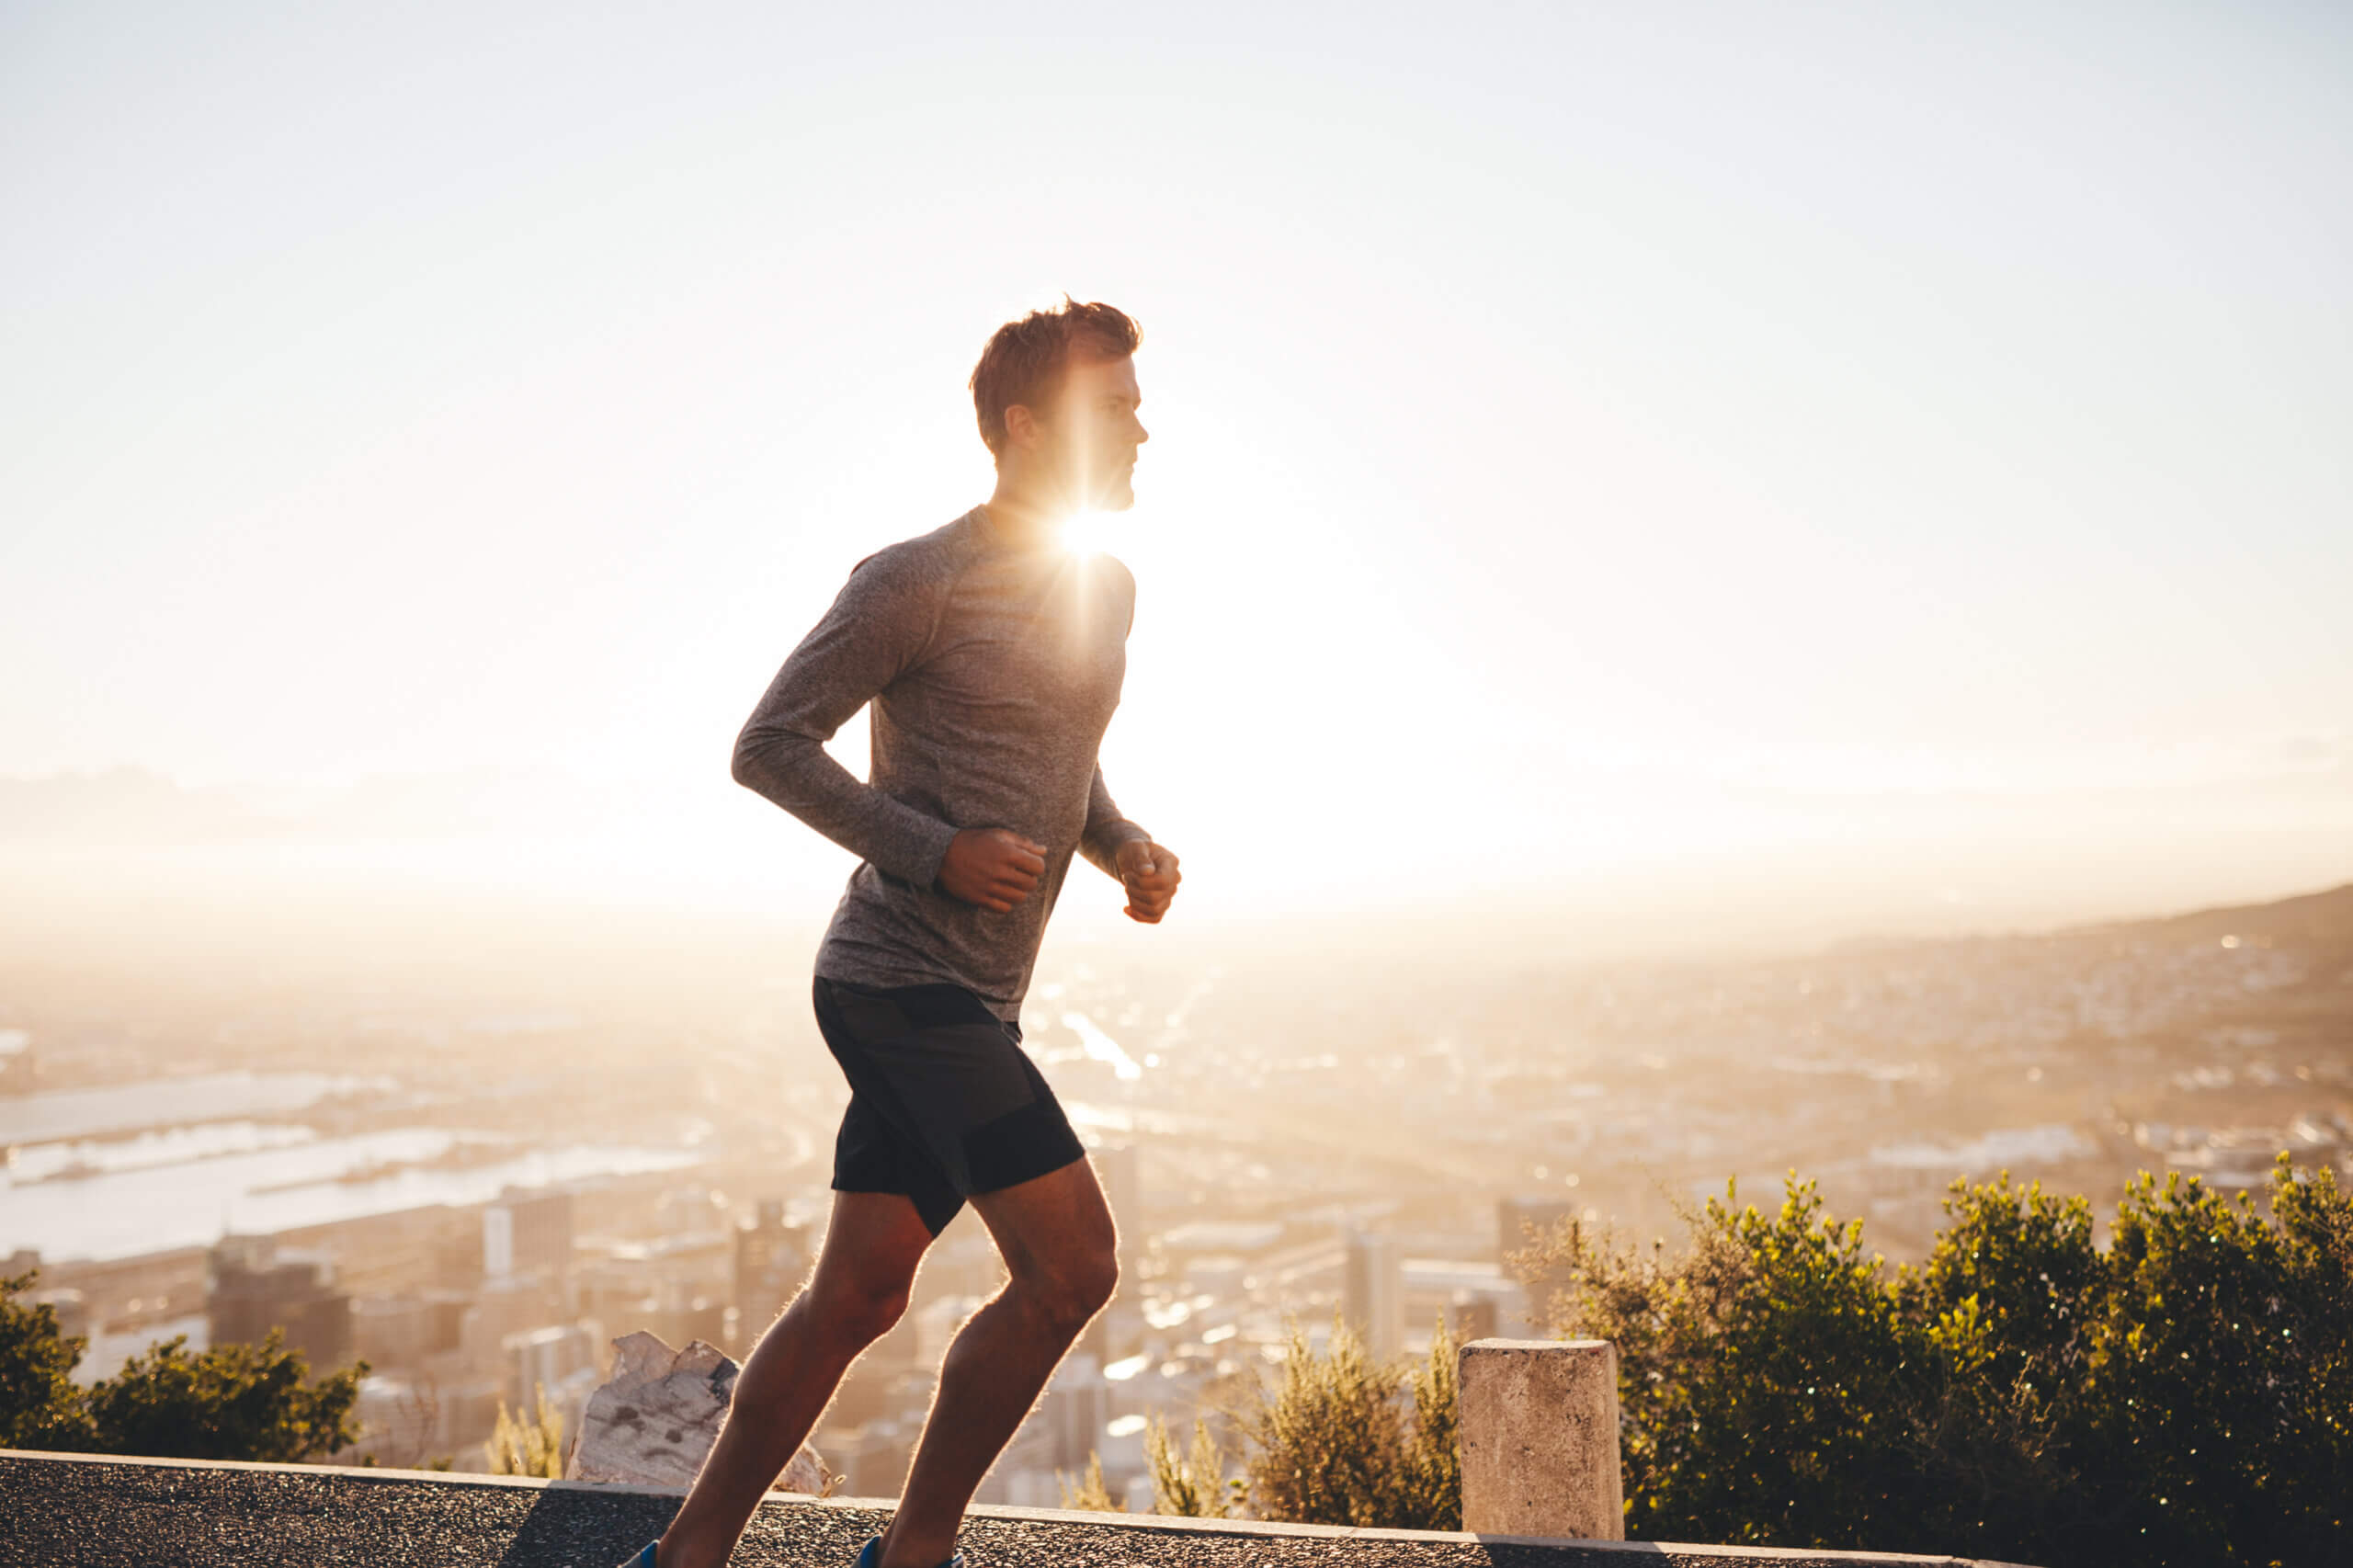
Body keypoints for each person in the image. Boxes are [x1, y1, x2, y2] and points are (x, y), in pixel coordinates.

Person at [620, 299, 1180, 1568]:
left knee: (859, 1294)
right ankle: (915, 1552)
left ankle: (684, 1556)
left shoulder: (1107, 588)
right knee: (1074, 1267)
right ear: (1029, 427)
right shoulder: (913, 579)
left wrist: (1122, 843)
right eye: (1115, 406)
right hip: (893, 980)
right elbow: (766, 746)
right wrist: (937, 852)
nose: (1144, 425)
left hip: (978, 998)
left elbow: (1060, 763)